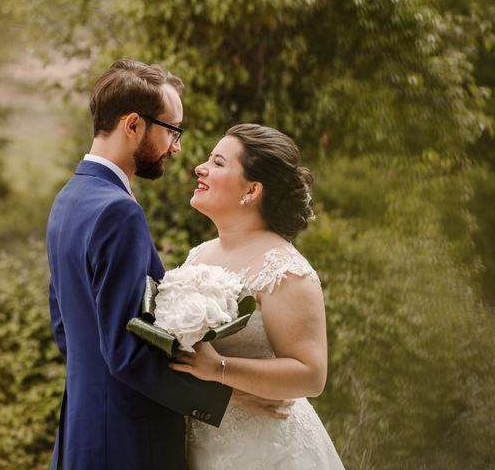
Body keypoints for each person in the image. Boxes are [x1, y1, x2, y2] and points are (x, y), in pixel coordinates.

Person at [45, 59, 238, 470]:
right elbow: (127, 353)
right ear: (133, 125)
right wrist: (225, 397)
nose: (177, 147)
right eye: (172, 130)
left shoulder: (68, 199)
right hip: (129, 444)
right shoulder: (119, 211)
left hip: (82, 432)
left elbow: (65, 329)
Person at [170, 123, 345, 469]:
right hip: (205, 440)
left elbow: (311, 375)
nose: (200, 168)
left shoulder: (285, 270)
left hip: (267, 449)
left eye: (218, 163)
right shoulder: (198, 255)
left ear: (251, 190)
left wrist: (219, 368)